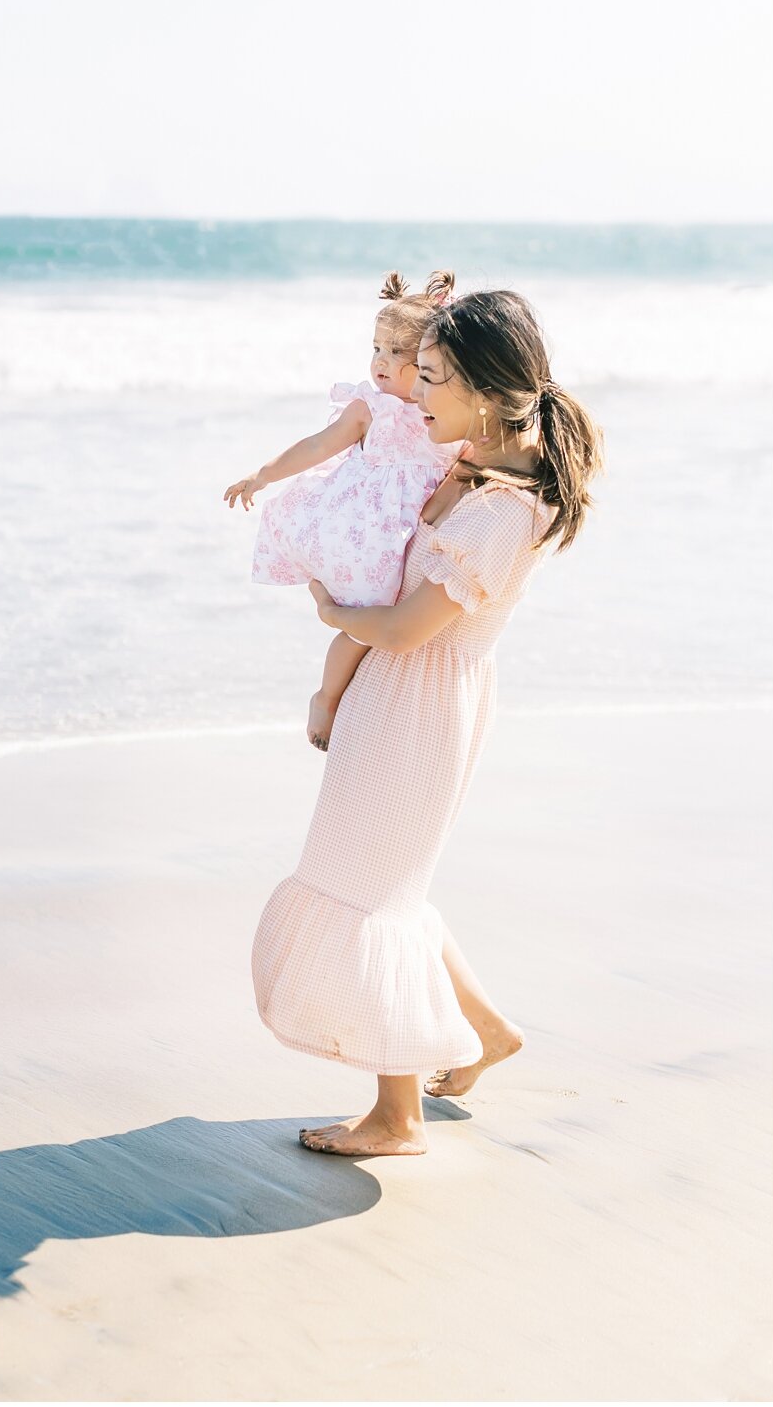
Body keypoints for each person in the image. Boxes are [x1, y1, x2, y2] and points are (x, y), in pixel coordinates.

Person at [250, 288, 605, 1157]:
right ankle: (483, 1032)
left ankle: (395, 1115)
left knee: (371, 895)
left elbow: (407, 627)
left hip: (418, 705)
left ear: (485, 389)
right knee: (388, 883)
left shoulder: (499, 510)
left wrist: (332, 610)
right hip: (403, 695)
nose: (414, 394)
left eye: (433, 377)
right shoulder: (480, 465)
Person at [224, 272, 467, 752]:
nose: (382, 362)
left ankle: (373, 702)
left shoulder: (448, 412)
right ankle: (327, 698)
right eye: (377, 348)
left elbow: (470, 459)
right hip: (363, 530)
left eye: (400, 354)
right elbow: (317, 445)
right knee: (364, 619)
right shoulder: (370, 408)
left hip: (408, 534)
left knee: (397, 621)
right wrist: (264, 475)